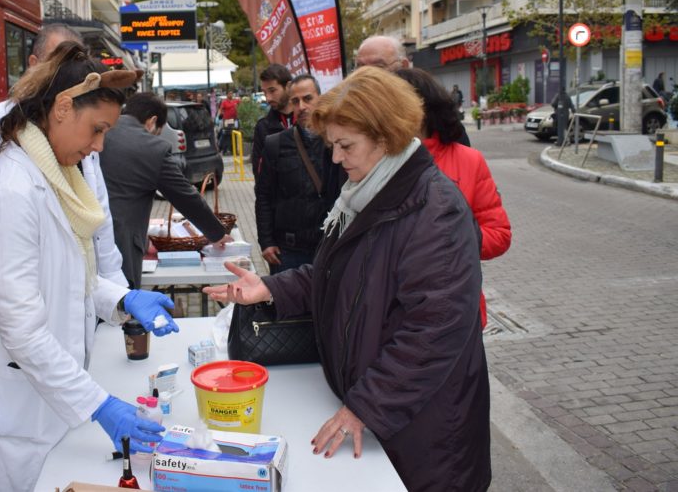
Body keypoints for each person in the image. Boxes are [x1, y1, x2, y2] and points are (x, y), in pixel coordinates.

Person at [206, 66, 491, 492]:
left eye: (345, 146)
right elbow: (337, 273)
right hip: (384, 415)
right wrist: (270, 287)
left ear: (386, 137)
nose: (336, 158)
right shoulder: (366, 194)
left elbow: (433, 331)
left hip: (425, 431)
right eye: (333, 145)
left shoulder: (435, 210)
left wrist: (366, 406)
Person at [0, 44, 179, 491]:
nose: (99, 146)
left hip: (45, 402)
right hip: (10, 411)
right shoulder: (11, 193)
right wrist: (99, 404)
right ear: (63, 108)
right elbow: (23, 332)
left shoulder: (55, 178)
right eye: (97, 129)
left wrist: (123, 298)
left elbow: (69, 278)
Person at [0, 24, 129, 286]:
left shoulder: (79, 130)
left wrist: (115, 286)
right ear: (34, 65)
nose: (67, 78)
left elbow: (98, 210)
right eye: (57, 65)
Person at [395, 68, 511, 328]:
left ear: (423, 107)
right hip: (394, 311)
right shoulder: (373, 160)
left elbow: (499, 234)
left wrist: (453, 240)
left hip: (457, 308)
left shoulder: (468, 160)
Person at [100, 93, 232, 289]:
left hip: (89, 240)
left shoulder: (100, 131)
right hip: (121, 246)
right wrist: (217, 233)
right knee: (121, 300)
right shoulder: (153, 148)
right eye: (158, 132)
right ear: (152, 121)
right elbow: (186, 197)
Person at [255, 74, 343, 273]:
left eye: (308, 98)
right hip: (288, 251)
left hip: (330, 246)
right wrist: (266, 241)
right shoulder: (275, 144)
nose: (301, 106)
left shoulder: (338, 141)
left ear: (320, 98)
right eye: (295, 101)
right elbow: (264, 195)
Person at [252, 64, 295, 178]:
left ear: (288, 87)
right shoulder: (262, 127)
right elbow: (259, 173)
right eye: (265, 92)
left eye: (272, 91)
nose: (268, 98)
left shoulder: (308, 122)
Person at [216, 89, 241, 154]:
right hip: (227, 120)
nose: (231, 95)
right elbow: (220, 110)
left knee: (234, 134)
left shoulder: (235, 100)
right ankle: (224, 149)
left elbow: (242, 103)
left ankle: (234, 150)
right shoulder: (224, 102)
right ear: (227, 95)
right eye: (229, 93)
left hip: (234, 120)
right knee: (226, 134)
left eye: (231, 93)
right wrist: (219, 117)